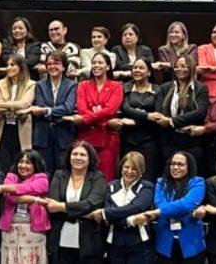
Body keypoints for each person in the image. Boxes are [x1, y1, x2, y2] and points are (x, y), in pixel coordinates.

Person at [0, 149, 49, 264]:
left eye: (28, 163)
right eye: (21, 162)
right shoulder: (11, 176)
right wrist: (35, 199)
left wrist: (2, 188)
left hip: (34, 232)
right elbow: (10, 197)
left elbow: (34, 188)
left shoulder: (42, 178)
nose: (23, 165)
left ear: (36, 165)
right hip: (10, 232)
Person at [45, 140, 106, 264]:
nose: (78, 158)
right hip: (60, 241)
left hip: (89, 243)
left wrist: (62, 206)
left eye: (83, 155)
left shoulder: (98, 177)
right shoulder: (59, 175)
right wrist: (87, 214)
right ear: (69, 156)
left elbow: (92, 204)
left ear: (90, 158)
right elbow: (52, 206)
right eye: (75, 154)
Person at [91, 152, 155, 264]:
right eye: (126, 167)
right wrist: (132, 220)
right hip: (115, 243)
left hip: (139, 243)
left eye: (134, 168)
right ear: (121, 167)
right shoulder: (111, 186)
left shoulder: (147, 186)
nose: (129, 171)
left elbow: (136, 208)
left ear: (141, 170)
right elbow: (109, 217)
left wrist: (105, 213)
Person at [145, 151, 206, 264]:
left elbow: (186, 204)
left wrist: (159, 213)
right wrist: (191, 214)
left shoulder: (197, 182)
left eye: (180, 164)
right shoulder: (161, 183)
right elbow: (160, 205)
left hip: (191, 244)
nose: (175, 167)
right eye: (173, 164)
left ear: (189, 166)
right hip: (165, 244)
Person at [69, 53, 122, 181]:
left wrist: (86, 119)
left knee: (105, 176)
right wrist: (105, 122)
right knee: (84, 176)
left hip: (107, 138)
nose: (96, 65)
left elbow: (110, 110)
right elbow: (82, 109)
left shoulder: (116, 86)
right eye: (94, 63)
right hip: (86, 136)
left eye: (100, 62)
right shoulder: (83, 84)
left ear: (108, 66)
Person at [153, 56, 208, 170]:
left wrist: (172, 121)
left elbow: (200, 113)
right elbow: (159, 112)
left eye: (183, 66)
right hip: (168, 140)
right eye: (176, 66)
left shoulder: (200, 88)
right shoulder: (165, 87)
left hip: (191, 140)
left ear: (191, 68)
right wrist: (169, 122)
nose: (179, 69)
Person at [31, 51, 77, 175]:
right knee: (44, 171)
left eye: (56, 63)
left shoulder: (71, 85)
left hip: (64, 133)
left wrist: (48, 110)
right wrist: (53, 111)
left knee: (63, 172)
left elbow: (68, 108)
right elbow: (40, 105)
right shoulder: (39, 85)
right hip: (43, 134)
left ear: (64, 67)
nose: (52, 66)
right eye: (49, 63)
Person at [118, 57, 163, 181]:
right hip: (128, 139)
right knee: (127, 174)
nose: (137, 70)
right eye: (135, 68)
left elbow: (157, 115)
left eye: (141, 68)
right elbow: (126, 108)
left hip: (150, 139)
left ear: (149, 72)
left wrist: (135, 121)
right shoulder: (125, 87)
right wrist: (147, 116)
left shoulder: (158, 89)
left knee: (148, 175)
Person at [0, 54, 36, 171]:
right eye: (7, 65)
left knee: (19, 164)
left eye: (12, 65)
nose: (8, 68)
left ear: (21, 67)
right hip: (3, 127)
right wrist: (12, 107)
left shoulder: (31, 84)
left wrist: (1, 105)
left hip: (21, 127)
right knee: (3, 165)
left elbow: (24, 104)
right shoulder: (0, 83)